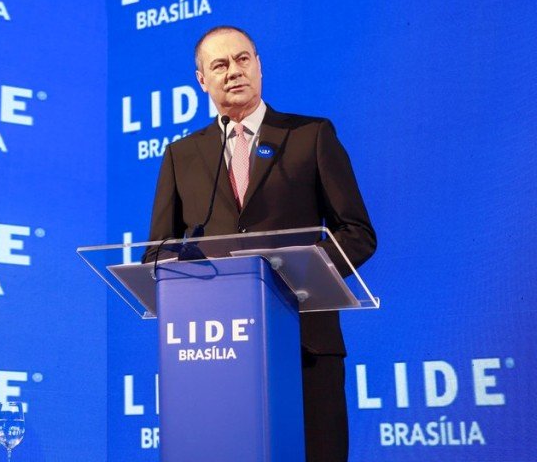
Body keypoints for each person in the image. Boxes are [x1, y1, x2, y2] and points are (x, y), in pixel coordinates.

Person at [146, 25, 376, 462]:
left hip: (304, 347)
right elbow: (157, 254)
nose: (234, 71)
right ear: (202, 80)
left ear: (259, 66)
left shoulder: (310, 135)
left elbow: (356, 232)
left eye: (242, 59)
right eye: (220, 65)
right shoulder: (181, 155)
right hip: (216, 350)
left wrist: (293, 278)